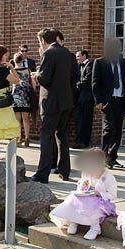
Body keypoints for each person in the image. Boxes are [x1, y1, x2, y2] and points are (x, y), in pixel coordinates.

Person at [31, 28, 74, 183]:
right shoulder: (66, 53)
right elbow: (72, 76)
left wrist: (36, 75)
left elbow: (45, 79)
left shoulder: (48, 54)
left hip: (51, 102)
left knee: (46, 136)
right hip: (66, 101)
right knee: (62, 135)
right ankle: (64, 170)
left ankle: (42, 174)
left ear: (43, 40)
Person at [92, 38, 125, 169]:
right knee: (109, 129)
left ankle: (113, 157)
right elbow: (95, 83)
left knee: (118, 130)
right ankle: (104, 156)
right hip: (108, 101)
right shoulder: (100, 62)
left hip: (121, 99)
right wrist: (98, 101)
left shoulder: (124, 63)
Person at [49, 148, 118, 240]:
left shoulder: (108, 177)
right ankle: (73, 221)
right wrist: (83, 187)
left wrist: (99, 193)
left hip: (100, 201)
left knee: (91, 206)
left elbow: (112, 195)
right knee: (73, 199)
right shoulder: (86, 172)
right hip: (86, 196)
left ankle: (95, 227)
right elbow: (81, 185)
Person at [12, 51, 37, 147]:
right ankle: (27, 137)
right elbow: (33, 83)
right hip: (26, 94)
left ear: (14, 60)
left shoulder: (12, 70)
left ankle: (19, 138)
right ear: (22, 60)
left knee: (17, 119)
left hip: (16, 95)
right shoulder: (27, 70)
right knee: (26, 118)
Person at [74, 49, 94, 148]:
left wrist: (77, 85)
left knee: (86, 119)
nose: (77, 58)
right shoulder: (78, 66)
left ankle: (84, 141)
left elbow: (88, 79)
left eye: (78, 56)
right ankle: (80, 140)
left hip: (87, 97)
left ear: (84, 56)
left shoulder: (90, 64)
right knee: (79, 119)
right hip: (80, 97)